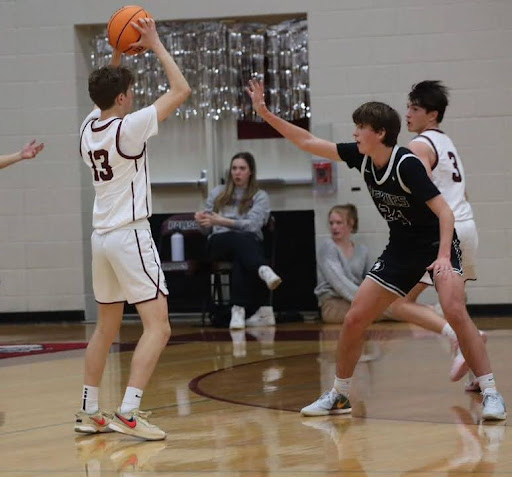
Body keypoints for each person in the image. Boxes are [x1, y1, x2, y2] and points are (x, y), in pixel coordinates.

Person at [246, 79, 506, 421]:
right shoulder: (361, 157)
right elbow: (308, 141)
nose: (354, 132)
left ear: (380, 133)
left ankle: (490, 392)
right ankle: (340, 395)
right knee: (355, 318)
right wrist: (265, 113)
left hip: (435, 244)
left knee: (455, 310)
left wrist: (443, 257)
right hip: (401, 249)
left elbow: (445, 212)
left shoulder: (408, 164)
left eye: (360, 127)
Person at [75, 17, 191, 440]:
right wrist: (156, 45)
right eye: (130, 93)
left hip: (101, 239)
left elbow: (105, 93)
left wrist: (118, 55)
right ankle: (128, 411)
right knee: (158, 327)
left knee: (106, 329)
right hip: (129, 235)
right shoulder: (129, 128)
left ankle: (90, 410)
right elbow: (181, 91)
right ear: (123, 98)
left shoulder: (87, 129)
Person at [389, 81, 484, 389]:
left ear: (432, 114)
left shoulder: (419, 145)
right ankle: (477, 377)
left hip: (446, 233)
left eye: (414, 108)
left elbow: (423, 194)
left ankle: (455, 338)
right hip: (467, 227)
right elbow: (464, 191)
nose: (407, 114)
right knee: (458, 307)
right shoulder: (447, 143)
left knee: (400, 302)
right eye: (408, 107)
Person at [195, 152, 282, 330]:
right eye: (234, 168)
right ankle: (262, 269)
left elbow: (254, 226)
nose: (237, 173)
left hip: (246, 243)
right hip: (219, 242)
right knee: (241, 241)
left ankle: (238, 310)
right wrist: (201, 221)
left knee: (241, 256)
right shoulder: (217, 193)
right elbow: (205, 230)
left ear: (250, 172)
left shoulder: (260, 196)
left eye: (242, 168)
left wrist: (222, 221)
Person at [315, 204, 373, 323]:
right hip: (333, 304)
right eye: (331, 223)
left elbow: (370, 280)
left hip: (357, 300)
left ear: (350, 223)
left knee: (386, 306)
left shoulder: (362, 250)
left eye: (338, 223)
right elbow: (340, 284)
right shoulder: (328, 248)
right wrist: (367, 301)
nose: (334, 227)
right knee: (379, 310)